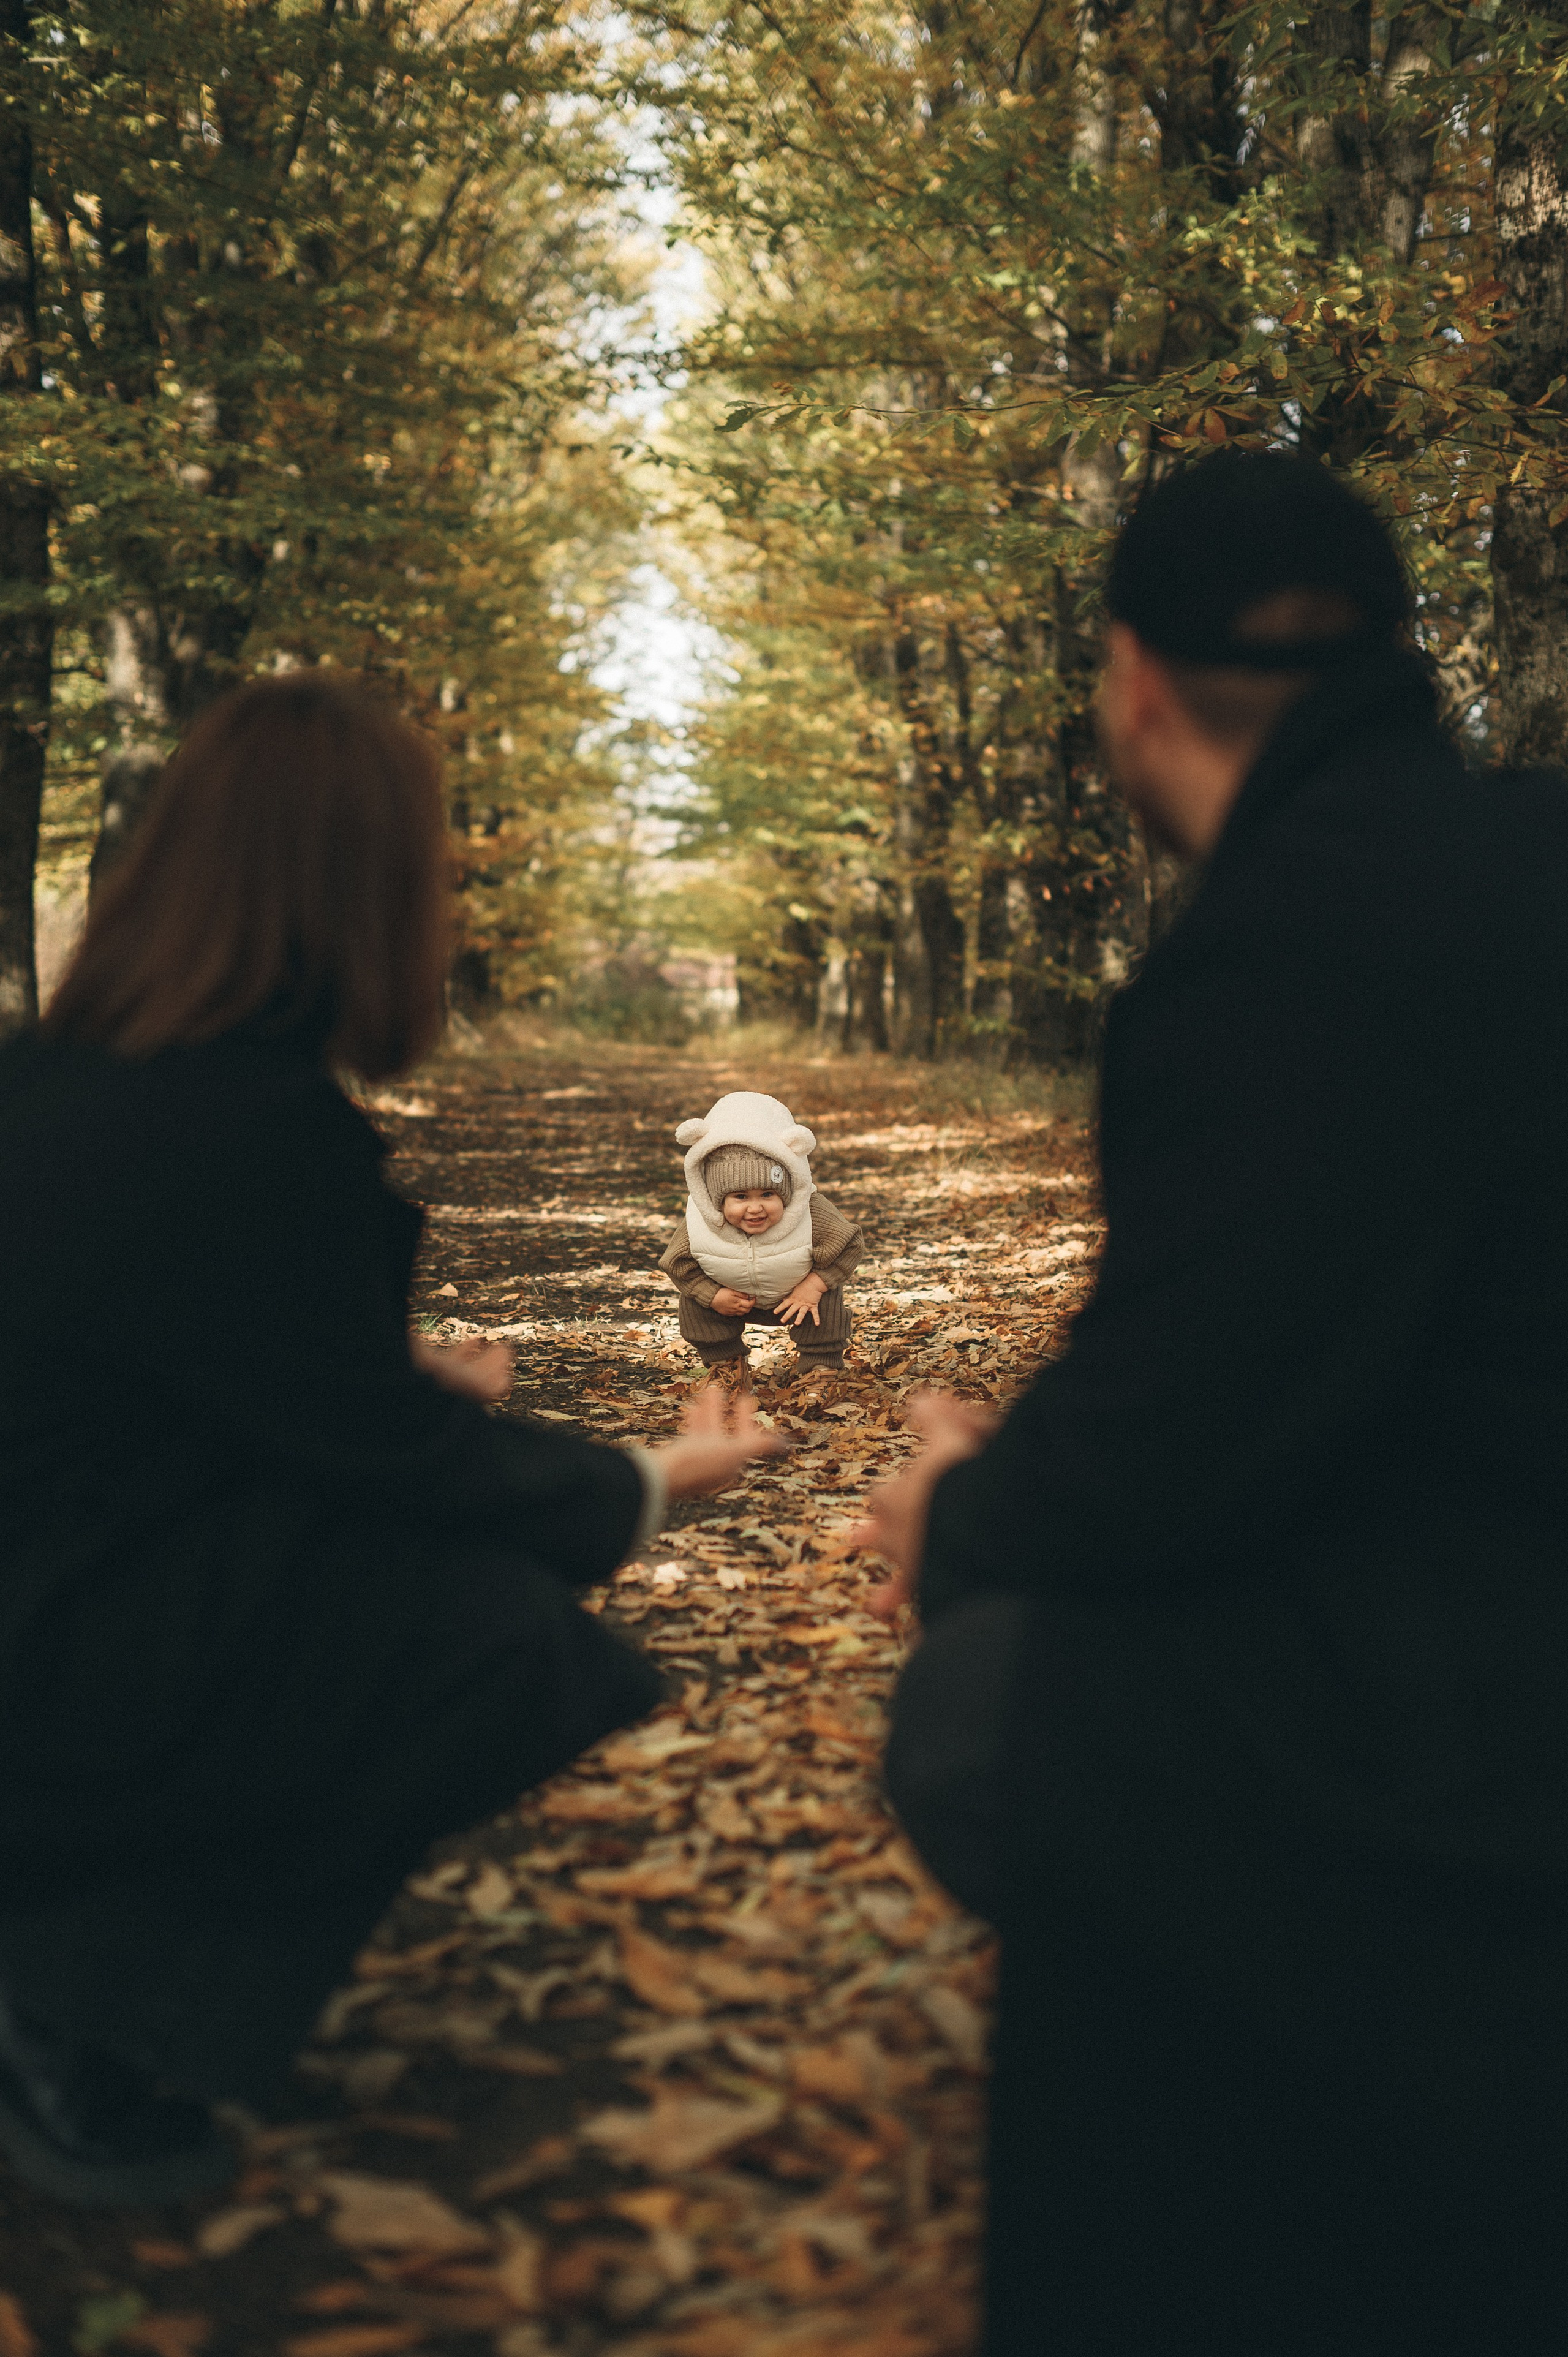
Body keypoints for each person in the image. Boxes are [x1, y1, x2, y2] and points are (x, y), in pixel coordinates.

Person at [864, 452, 1568, 2353]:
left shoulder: (1280, 951)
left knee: (988, 1695)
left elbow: (1168, 1450)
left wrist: (961, 1510)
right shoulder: (1527, 853)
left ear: (1129, 685)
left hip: (1476, 1740)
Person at [0, 676, 781, 2206]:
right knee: (491, 1637)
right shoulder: (251, 1128)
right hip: (47, 1635)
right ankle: (76, 2002)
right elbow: (386, 1467)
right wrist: (646, 1480)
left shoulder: (64, 1084)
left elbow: (140, 1356)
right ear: (355, 896)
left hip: (52, 1564)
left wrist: (383, 1360)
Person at [658, 1090, 864, 1386]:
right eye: (740, 1197)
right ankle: (726, 1366)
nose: (755, 1208)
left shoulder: (810, 1210)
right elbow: (677, 1263)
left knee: (826, 1300)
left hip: (796, 1298)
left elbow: (849, 1244)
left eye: (768, 1194)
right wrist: (712, 1296)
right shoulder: (701, 1221)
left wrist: (813, 1285)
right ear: (717, 1200)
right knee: (695, 1302)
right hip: (733, 1299)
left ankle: (821, 1367)